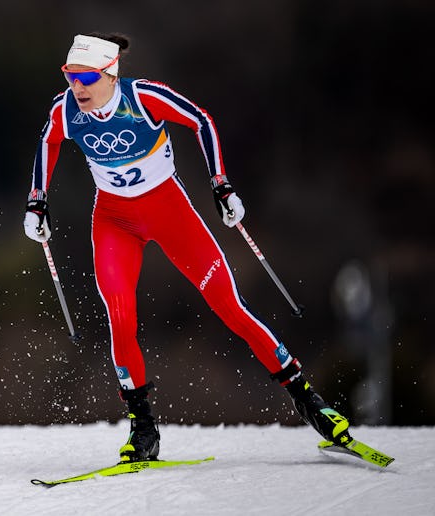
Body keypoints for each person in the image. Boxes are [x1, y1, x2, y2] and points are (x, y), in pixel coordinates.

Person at [23, 33, 351, 462]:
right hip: (114, 222)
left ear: (109, 73)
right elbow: (48, 142)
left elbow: (202, 121)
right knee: (119, 318)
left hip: (170, 213)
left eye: (85, 77)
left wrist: (221, 185)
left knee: (230, 307)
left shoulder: (143, 98)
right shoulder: (65, 110)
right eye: (70, 76)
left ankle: (310, 402)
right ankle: (143, 431)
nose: (77, 87)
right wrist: (37, 201)